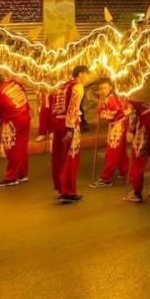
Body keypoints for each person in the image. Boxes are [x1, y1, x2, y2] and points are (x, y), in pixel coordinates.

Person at [48, 65, 91, 204]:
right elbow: (73, 107)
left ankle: (61, 188)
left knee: (59, 156)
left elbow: (53, 107)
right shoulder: (77, 87)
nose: (87, 78)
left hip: (57, 123)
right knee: (71, 157)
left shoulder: (61, 86)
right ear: (81, 74)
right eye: (87, 75)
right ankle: (68, 191)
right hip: (68, 124)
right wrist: (70, 128)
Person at [0, 69, 31, 187]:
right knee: (22, 147)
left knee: (11, 149)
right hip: (25, 116)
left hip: (11, 121)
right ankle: (22, 174)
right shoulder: (14, 83)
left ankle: (12, 177)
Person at [91, 78, 131, 188]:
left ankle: (106, 178)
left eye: (105, 88)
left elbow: (114, 112)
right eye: (100, 89)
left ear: (110, 88)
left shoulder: (112, 98)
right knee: (120, 150)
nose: (102, 91)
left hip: (118, 124)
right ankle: (125, 171)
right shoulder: (108, 97)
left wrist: (102, 112)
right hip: (117, 124)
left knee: (112, 151)